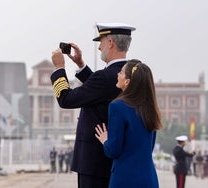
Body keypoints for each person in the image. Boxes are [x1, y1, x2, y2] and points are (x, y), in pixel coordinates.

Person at [50, 22, 135, 188]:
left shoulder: (104, 78)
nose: (99, 48)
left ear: (110, 43)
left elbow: (66, 99)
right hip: (113, 161)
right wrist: (81, 65)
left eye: (101, 42)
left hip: (93, 164)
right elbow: (100, 89)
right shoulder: (131, 74)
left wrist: (59, 68)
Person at [95, 60, 163, 188]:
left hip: (124, 179)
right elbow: (149, 147)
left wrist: (105, 140)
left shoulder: (117, 107)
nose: (117, 74)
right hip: (149, 179)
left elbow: (113, 150)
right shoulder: (150, 108)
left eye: (121, 72)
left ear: (127, 81)